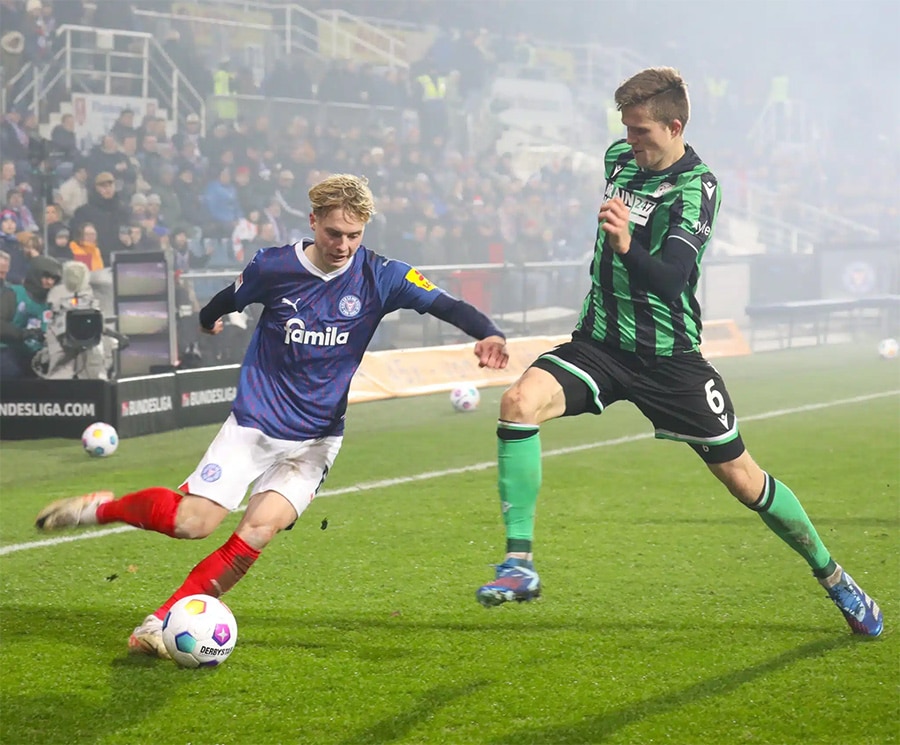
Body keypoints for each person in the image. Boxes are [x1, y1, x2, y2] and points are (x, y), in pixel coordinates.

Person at [473, 67, 883, 638]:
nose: (632, 140)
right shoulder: (619, 158)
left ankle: (834, 576)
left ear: (675, 125)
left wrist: (624, 243)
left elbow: (672, 278)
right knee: (518, 403)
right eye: (627, 128)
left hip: (669, 360)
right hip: (600, 344)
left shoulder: (698, 188)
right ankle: (520, 563)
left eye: (642, 131)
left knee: (743, 479)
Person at [34, 173, 510, 658]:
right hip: (255, 426)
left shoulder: (383, 275)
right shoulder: (274, 266)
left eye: (354, 236)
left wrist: (487, 332)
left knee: (258, 530)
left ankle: (160, 621)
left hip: (318, 440)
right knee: (193, 523)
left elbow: (445, 303)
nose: (343, 245)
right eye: (333, 234)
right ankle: (99, 508)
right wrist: (207, 319)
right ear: (313, 222)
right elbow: (227, 298)